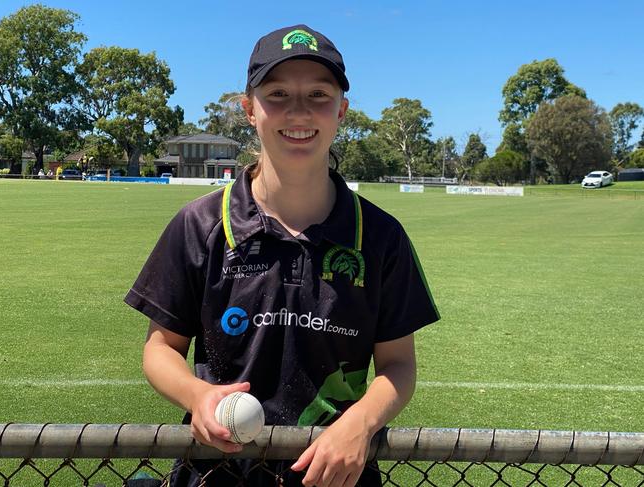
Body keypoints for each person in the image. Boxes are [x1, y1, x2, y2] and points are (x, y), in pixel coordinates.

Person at [125, 24, 439, 487]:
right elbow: (160, 349)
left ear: (341, 111)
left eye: (318, 94)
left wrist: (360, 424)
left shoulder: (381, 236)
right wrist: (197, 396)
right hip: (216, 473)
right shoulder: (199, 224)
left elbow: (399, 365)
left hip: (335, 474)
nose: (298, 111)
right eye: (277, 93)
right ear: (249, 109)